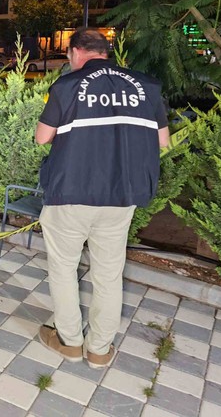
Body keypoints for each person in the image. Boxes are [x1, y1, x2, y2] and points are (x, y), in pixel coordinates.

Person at [34, 28, 169, 368]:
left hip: (71, 194)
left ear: (76, 53)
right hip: (121, 196)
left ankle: (69, 341)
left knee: (63, 269)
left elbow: (41, 138)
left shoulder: (66, 86)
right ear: (106, 53)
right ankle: (99, 350)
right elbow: (164, 141)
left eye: (69, 56)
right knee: (108, 274)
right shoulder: (146, 87)